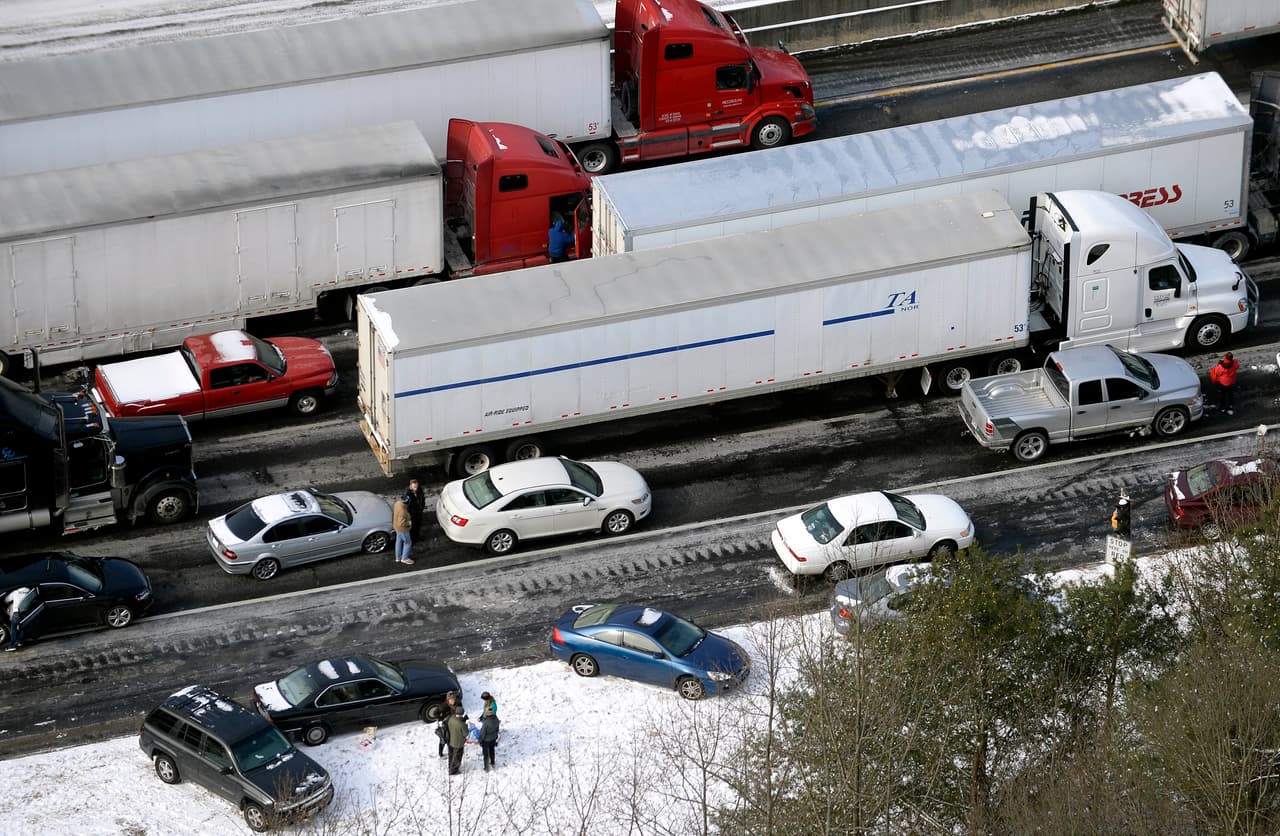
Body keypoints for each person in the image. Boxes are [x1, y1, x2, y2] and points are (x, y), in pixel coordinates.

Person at [1209, 351, 1238, 415]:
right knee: (1230, 393)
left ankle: (1222, 406)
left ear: (1225, 358)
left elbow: (1217, 372)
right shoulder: (1235, 363)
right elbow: (1237, 366)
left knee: (1223, 394)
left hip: (1223, 383)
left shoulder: (1221, 366)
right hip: (1231, 381)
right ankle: (1230, 404)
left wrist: (1219, 364)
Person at [5, 586, 33, 652]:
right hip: (25, 612)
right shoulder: (29, 592)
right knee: (22, 626)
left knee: (13, 629)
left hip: (17, 612)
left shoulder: (15, 592)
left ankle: (12, 646)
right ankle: (20, 641)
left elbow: (6, 599)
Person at [446, 705, 469, 775]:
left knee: (451, 755)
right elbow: (466, 733)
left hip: (450, 741)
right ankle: (454, 771)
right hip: (458, 744)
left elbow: (456, 722)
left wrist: (463, 719)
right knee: (457, 757)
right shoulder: (462, 724)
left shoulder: (451, 718)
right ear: (462, 714)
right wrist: (466, 724)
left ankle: (450, 766)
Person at [437, 691, 460, 757]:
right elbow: (436, 713)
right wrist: (441, 718)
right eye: (451, 699)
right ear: (448, 699)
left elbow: (461, 711)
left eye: (453, 699)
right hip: (445, 725)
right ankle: (440, 753)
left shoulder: (457, 704)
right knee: (443, 740)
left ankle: (452, 751)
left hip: (454, 724)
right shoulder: (444, 706)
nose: (453, 701)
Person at [392, 493, 414, 565]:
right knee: (408, 543)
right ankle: (405, 558)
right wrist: (409, 523)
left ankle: (398, 557)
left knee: (398, 541)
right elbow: (401, 524)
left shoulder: (397, 503)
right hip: (403, 529)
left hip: (396, 527)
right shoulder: (403, 511)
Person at [478, 705, 500, 771]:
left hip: (486, 740)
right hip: (493, 739)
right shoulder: (496, 719)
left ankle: (486, 767)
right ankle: (492, 762)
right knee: (492, 751)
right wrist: (495, 737)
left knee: (486, 754)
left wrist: (480, 740)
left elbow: (483, 733)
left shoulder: (486, 722)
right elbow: (497, 729)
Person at [406, 477, 425, 542]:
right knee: (412, 528)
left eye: (416, 486)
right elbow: (407, 506)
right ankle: (412, 539)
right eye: (414, 487)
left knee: (418, 526)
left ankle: (417, 537)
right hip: (413, 514)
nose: (416, 488)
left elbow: (422, 499)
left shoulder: (420, 490)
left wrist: (422, 507)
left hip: (419, 512)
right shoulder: (408, 494)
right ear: (411, 486)